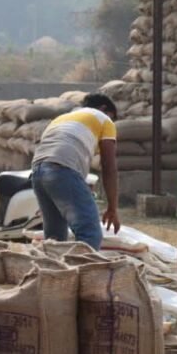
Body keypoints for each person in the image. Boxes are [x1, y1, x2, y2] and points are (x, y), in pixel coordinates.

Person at [31, 92, 120, 249]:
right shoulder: (104, 119)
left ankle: (53, 272)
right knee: (90, 234)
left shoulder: (61, 119)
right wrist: (112, 207)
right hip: (62, 168)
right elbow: (109, 167)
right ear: (103, 108)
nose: (112, 121)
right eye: (112, 117)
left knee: (54, 240)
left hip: (38, 171)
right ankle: (85, 272)